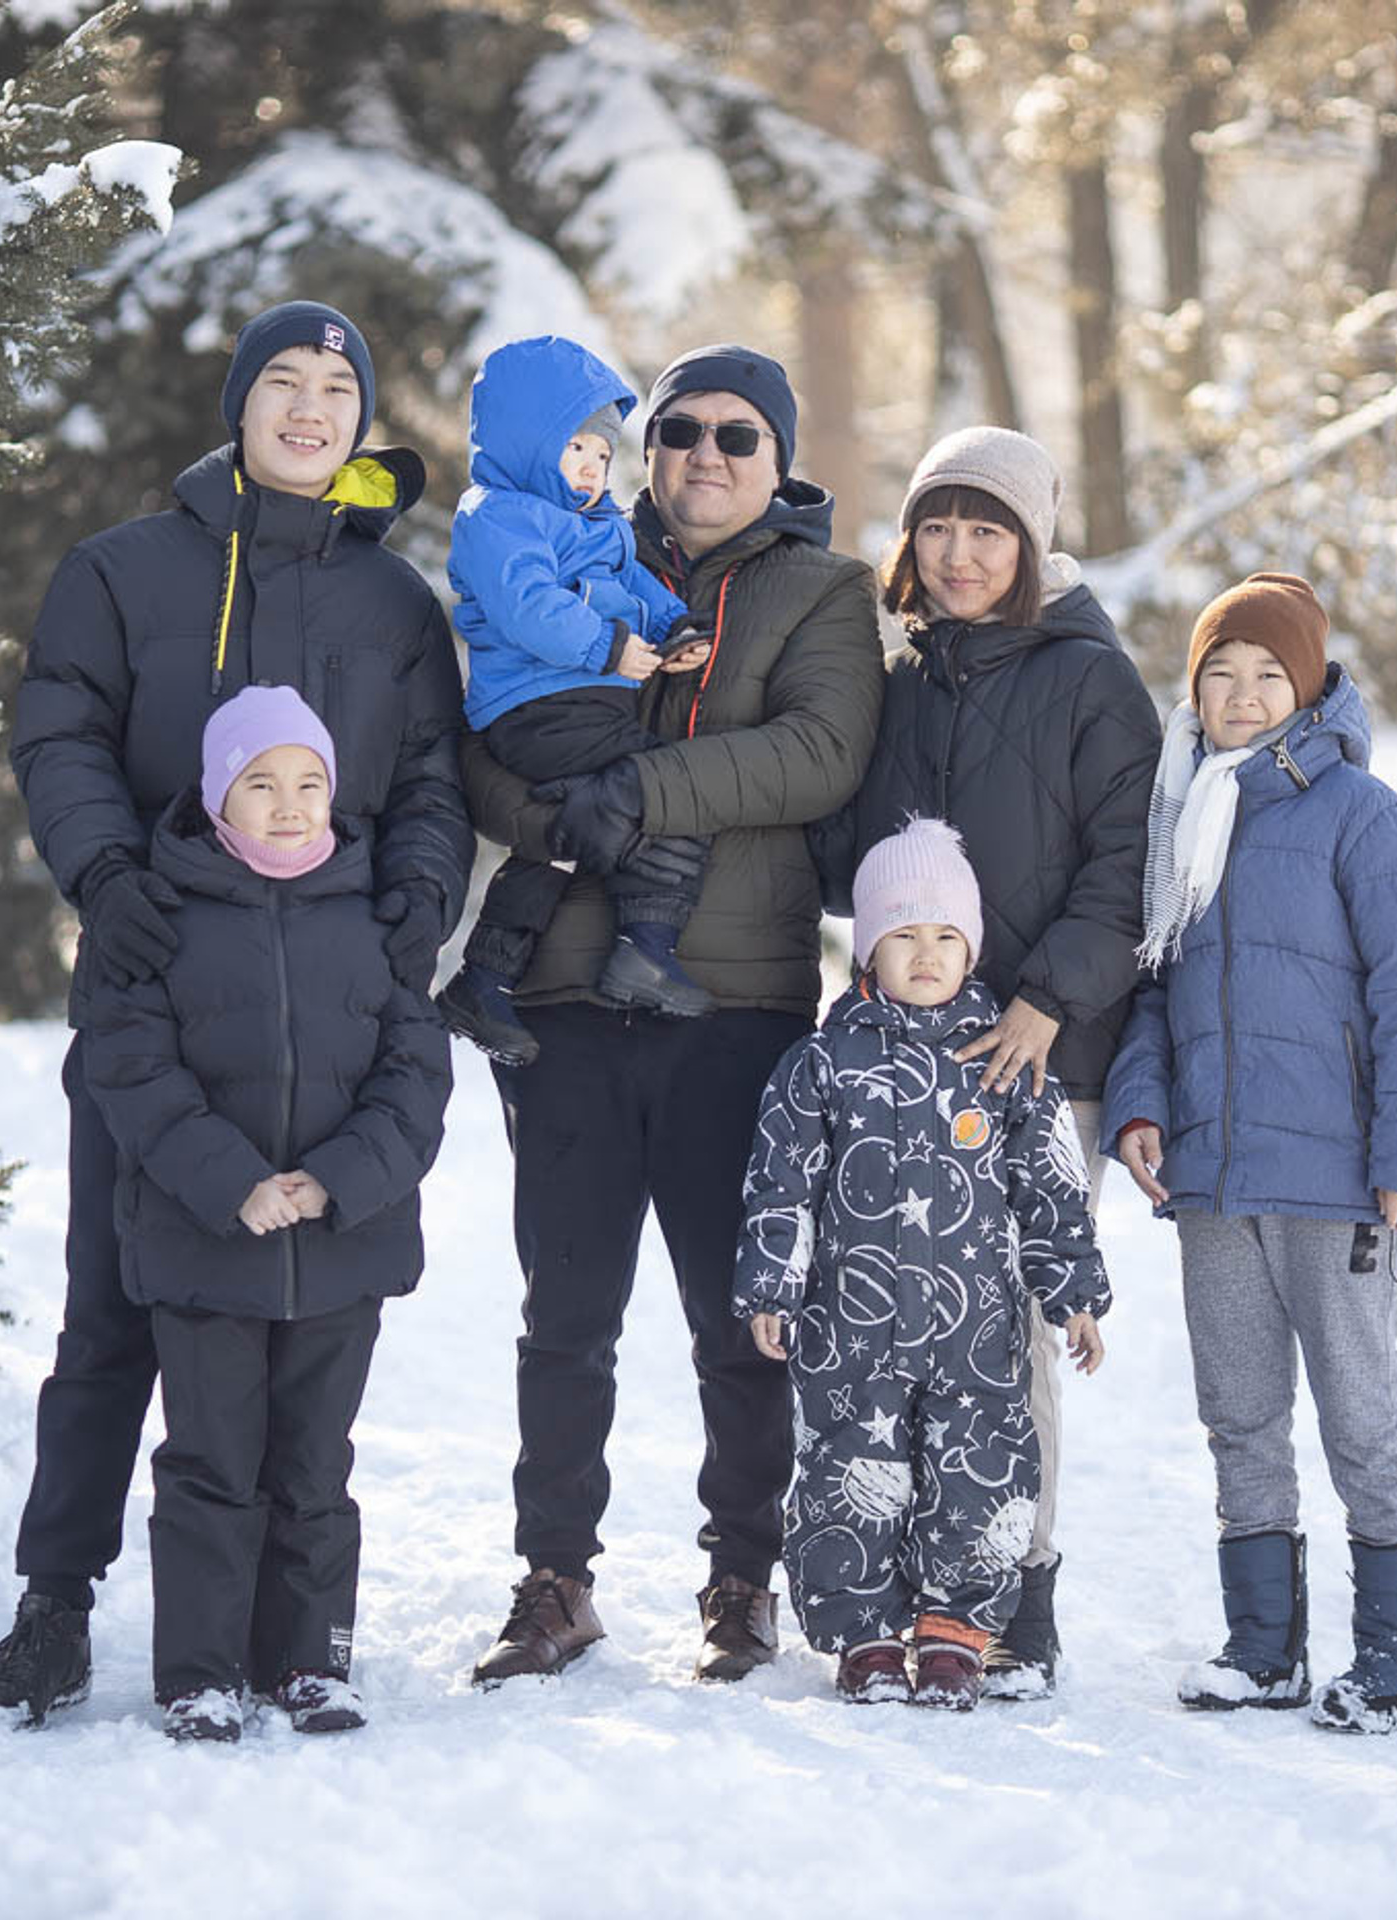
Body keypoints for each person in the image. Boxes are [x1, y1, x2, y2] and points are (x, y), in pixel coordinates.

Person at [0, 301, 473, 1731]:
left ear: (363, 421)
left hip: (336, 1006)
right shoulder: (127, 570)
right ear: (241, 403)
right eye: (285, 384)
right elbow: (55, 724)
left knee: (309, 1352)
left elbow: (432, 774)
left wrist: (417, 908)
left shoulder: (393, 604)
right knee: (115, 1310)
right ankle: (54, 1605)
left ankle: (281, 1635)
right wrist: (105, 872)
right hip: (159, 1000)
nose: (311, 409)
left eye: (338, 389)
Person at [458, 344, 885, 1687]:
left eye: (738, 438)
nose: (705, 455)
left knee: (736, 1316)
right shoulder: (561, 542)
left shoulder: (821, 591)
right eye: (681, 430)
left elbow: (820, 754)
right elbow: (476, 733)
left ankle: (742, 1576)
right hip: (569, 998)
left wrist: (637, 794)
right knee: (566, 1310)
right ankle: (555, 1579)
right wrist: (552, 821)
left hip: (736, 1005)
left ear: (779, 461)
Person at [815, 425, 1161, 1698]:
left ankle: (1020, 1597)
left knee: (1006, 1346)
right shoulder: (902, 668)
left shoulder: (1091, 678)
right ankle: (918, 1597)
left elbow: (1129, 869)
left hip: (1033, 1064)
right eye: (939, 528)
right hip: (904, 1058)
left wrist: (1047, 1006)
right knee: (895, 1340)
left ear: (1032, 542)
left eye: (988, 530)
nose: (959, 556)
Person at [1102, 572, 1397, 1734]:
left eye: (1268, 676)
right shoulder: (1182, 813)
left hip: (1338, 1177)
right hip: (1213, 1178)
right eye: (1221, 674)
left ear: (1306, 689)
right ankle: (1264, 1650)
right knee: (1239, 1412)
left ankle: (1396, 1658)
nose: (1243, 697)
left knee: (1361, 1413)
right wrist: (1142, 1108)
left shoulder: (1364, 815)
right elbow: (1152, 992)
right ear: (1194, 690)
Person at [78, 685, 450, 1742]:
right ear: (216, 795)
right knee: (210, 1467)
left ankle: (311, 1659)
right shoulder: (162, 915)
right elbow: (132, 1066)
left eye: (309, 783)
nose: (289, 806)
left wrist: (334, 1177)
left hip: (341, 1247)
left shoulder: (377, 913)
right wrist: (231, 1179)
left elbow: (414, 1075)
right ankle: (199, 1672)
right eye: (261, 783)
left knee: (313, 1470)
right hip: (206, 1249)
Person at [735, 818, 1109, 1708]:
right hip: (849, 1331)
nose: (927, 953)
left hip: (976, 1336)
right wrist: (772, 1284)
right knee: (847, 1477)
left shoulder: (1009, 1066)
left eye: (945, 935)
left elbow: (1050, 1189)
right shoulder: (821, 1063)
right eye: (904, 935)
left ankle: (955, 1631)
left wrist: (1075, 1295)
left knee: (976, 1479)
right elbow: (781, 1181)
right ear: (870, 947)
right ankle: (864, 1634)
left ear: (972, 946)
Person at [436, 334, 717, 1067]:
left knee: (562, 839)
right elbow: (527, 606)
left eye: (601, 454)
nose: (593, 471)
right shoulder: (497, 516)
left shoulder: (599, 527)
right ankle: (644, 949)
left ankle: (486, 978)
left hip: (584, 704)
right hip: (535, 707)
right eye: (576, 451)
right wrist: (606, 647)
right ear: (530, 443)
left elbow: (641, 591)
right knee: (664, 788)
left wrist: (674, 629)